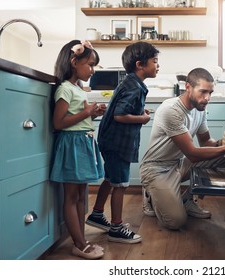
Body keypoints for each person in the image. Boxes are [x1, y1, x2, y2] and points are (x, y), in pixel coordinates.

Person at [139, 67, 225, 230]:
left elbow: (206, 141)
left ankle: (186, 200)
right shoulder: (171, 110)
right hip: (156, 169)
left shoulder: (200, 110)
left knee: (224, 160)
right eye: (203, 92)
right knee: (175, 221)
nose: (207, 98)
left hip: (178, 164)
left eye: (210, 92)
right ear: (188, 87)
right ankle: (150, 194)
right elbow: (193, 154)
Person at [85, 42, 160, 243]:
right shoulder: (134, 87)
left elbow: (124, 110)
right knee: (121, 184)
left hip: (111, 140)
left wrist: (139, 113)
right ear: (140, 64)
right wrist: (142, 119)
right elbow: (120, 115)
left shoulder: (131, 83)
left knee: (111, 178)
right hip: (118, 143)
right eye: (155, 61)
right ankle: (117, 227)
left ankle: (97, 214)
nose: (158, 65)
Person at [50, 40, 106, 259]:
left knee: (82, 195)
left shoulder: (78, 89)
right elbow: (58, 123)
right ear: (74, 61)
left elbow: (78, 117)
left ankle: (81, 240)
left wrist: (93, 113)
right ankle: (79, 243)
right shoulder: (64, 88)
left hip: (83, 142)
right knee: (72, 197)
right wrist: (86, 113)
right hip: (72, 144)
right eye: (90, 65)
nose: (92, 70)